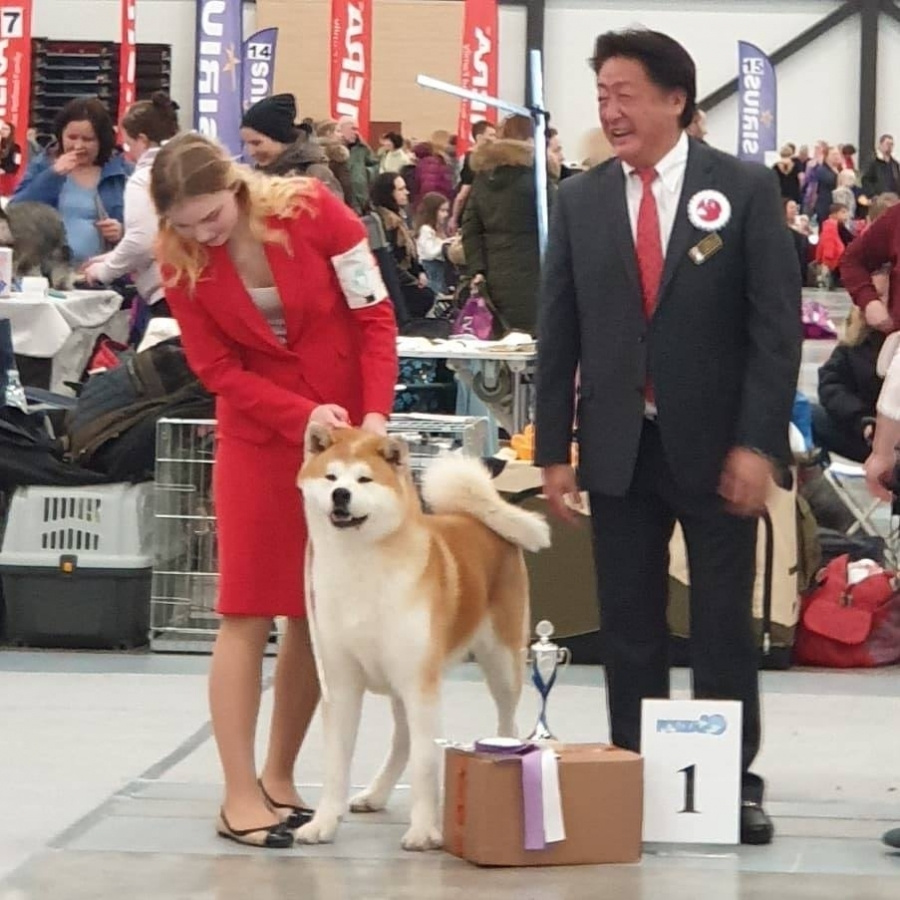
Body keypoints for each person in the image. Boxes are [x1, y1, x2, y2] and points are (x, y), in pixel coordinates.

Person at [534, 28, 801, 846]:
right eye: (602, 96)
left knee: (722, 623)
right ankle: (633, 772)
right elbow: (560, 332)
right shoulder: (579, 200)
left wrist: (758, 443)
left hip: (720, 450)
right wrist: (552, 451)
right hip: (618, 445)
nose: (610, 111)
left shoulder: (745, 190)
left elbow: (775, 328)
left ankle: (731, 784)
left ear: (676, 99)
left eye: (626, 94)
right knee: (629, 623)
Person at [149, 132, 398, 848]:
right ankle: (237, 797)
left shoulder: (317, 211)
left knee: (312, 612)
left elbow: (375, 315)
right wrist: (297, 415)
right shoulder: (179, 257)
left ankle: (280, 777)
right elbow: (216, 368)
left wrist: (374, 417)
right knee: (246, 608)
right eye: (186, 224)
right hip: (258, 441)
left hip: (347, 441)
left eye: (210, 216)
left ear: (234, 185)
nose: (203, 233)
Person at [81, 93, 180, 319]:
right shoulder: (185, 169)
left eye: (128, 143)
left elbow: (143, 241)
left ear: (142, 140)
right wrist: (111, 257)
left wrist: (104, 270)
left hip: (167, 292)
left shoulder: (144, 178)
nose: (128, 152)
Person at [461, 114, 555, 336]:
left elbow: (470, 228)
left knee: (500, 349)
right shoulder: (537, 180)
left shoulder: (483, 179)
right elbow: (557, 227)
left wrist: (478, 270)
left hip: (493, 281)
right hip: (536, 277)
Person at [12, 97, 129, 264]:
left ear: (101, 141)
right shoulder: (42, 165)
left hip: (100, 276)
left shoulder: (120, 173)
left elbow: (142, 232)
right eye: (72, 137)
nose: (78, 146)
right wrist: (53, 175)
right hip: (47, 273)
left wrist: (121, 232)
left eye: (87, 139)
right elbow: (16, 211)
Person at [812, 306, 884, 463]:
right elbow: (830, 384)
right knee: (806, 413)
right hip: (863, 429)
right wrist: (861, 419)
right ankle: (815, 472)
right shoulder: (855, 343)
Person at [240, 94, 343, 198]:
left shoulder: (315, 175)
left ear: (280, 137)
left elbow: (335, 213)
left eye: (256, 143)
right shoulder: (257, 177)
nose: (251, 152)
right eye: (246, 143)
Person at [370, 172, 434, 318]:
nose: (406, 192)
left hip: (409, 278)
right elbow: (390, 260)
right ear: (388, 193)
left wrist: (419, 271)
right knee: (425, 297)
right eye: (400, 189)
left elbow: (411, 254)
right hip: (398, 285)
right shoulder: (385, 222)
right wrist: (413, 280)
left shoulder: (401, 217)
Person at [449, 120, 497, 234]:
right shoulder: (473, 159)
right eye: (491, 135)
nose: (495, 139)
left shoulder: (489, 159)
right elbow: (464, 191)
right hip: (472, 213)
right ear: (479, 137)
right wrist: (454, 218)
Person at [337, 116, 378, 214]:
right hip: (343, 200)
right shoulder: (334, 150)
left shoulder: (362, 149)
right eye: (353, 129)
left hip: (362, 200)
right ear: (342, 129)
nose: (356, 132)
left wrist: (366, 174)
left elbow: (375, 165)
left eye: (357, 129)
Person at [414, 192, 451, 296]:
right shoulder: (425, 230)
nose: (446, 214)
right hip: (430, 269)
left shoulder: (437, 231)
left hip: (439, 270)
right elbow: (430, 252)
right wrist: (446, 243)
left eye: (447, 211)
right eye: (442, 211)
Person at [862, 134, 900, 198]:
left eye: (891, 144)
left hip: (894, 197)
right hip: (879, 198)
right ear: (880, 144)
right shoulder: (873, 161)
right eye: (887, 144)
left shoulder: (895, 163)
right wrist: (872, 195)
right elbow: (866, 180)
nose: (890, 146)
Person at [0, 121, 23, 197]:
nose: (3, 131)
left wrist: (4, 170)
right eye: (2, 129)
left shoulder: (16, 148)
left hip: (7, 178)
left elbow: (16, 164)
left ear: (11, 132)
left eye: (6, 129)